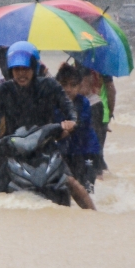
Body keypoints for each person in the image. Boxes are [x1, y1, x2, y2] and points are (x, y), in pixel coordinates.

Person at [0, 41, 95, 210]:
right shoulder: (3, 91)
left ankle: (95, 216)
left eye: (26, 69)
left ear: (34, 68)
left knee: (70, 181)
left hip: (45, 145)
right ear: (10, 70)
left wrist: (71, 121)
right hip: (12, 147)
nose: (21, 74)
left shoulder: (49, 86)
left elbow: (68, 106)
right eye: (17, 69)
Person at [55, 63, 100, 193]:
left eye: (73, 85)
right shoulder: (54, 103)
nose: (68, 89)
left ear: (80, 86)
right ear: (57, 84)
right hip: (66, 151)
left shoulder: (83, 103)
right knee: (68, 187)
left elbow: (81, 122)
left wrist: (69, 128)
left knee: (87, 189)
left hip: (87, 151)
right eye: (64, 84)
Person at [83, 70, 115, 176]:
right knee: (98, 152)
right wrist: (110, 113)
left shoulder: (78, 65)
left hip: (85, 113)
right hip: (102, 114)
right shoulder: (103, 68)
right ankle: (105, 179)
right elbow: (111, 91)